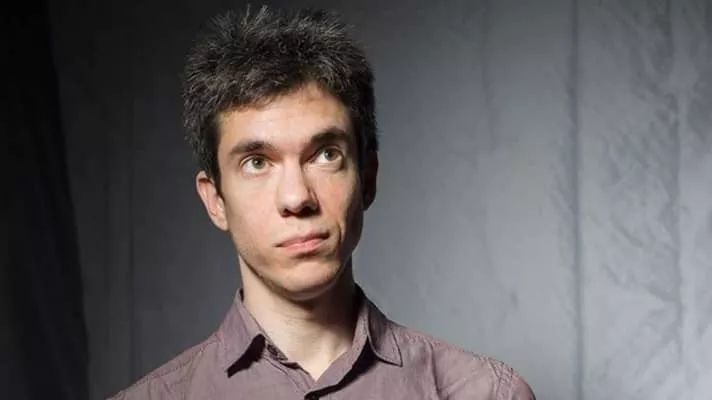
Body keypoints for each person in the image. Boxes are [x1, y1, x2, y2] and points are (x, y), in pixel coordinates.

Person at [111, 5, 535, 400]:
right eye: (257, 163)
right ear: (215, 199)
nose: (296, 197)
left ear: (367, 178)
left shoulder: (484, 393)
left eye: (325, 155)